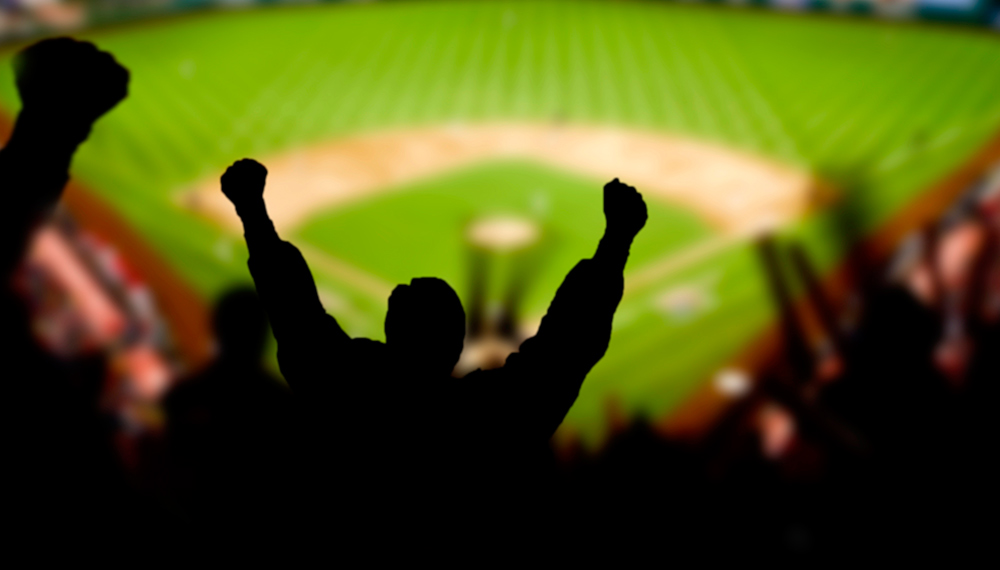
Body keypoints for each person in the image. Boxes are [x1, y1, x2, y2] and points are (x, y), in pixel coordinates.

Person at [220, 158, 647, 523]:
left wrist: (253, 212)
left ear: (390, 333)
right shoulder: (489, 421)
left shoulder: (345, 394)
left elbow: (295, 313)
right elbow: (565, 349)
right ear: (456, 346)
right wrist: (616, 241)